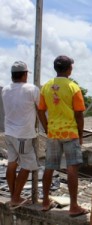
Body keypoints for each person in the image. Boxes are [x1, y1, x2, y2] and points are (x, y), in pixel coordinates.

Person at [37, 55, 88, 216]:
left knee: (49, 167)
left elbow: (40, 110)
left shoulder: (46, 86)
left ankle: (45, 202)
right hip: (70, 132)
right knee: (72, 167)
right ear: (69, 69)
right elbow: (79, 114)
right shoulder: (74, 87)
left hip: (53, 133)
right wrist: (80, 135)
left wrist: (46, 128)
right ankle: (74, 206)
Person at [2, 61, 40, 207]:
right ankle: (16, 198)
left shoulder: (5, 89)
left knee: (12, 164)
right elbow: (41, 108)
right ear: (24, 74)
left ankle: (14, 196)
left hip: (9, 133)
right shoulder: (31, 89)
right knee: (27, 165)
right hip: (23, 134)